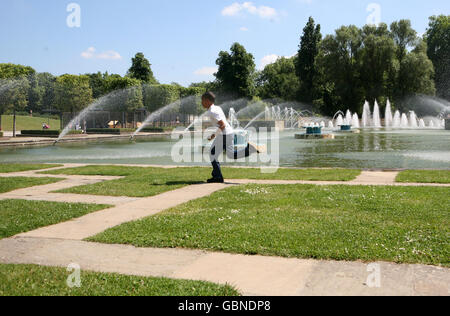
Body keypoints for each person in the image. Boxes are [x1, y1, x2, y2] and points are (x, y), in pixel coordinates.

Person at [202, 92, 264, 183]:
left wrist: (214, 135)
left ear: (207, 101)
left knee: (212, 154)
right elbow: (224, 122)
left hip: (223, 135)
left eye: (202, 100)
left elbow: (222, 125)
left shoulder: (212, 111)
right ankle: (249, 149)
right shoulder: (217, 108)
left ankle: (217, 177)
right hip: (229, 133)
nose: (202, 102)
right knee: (230, 154)